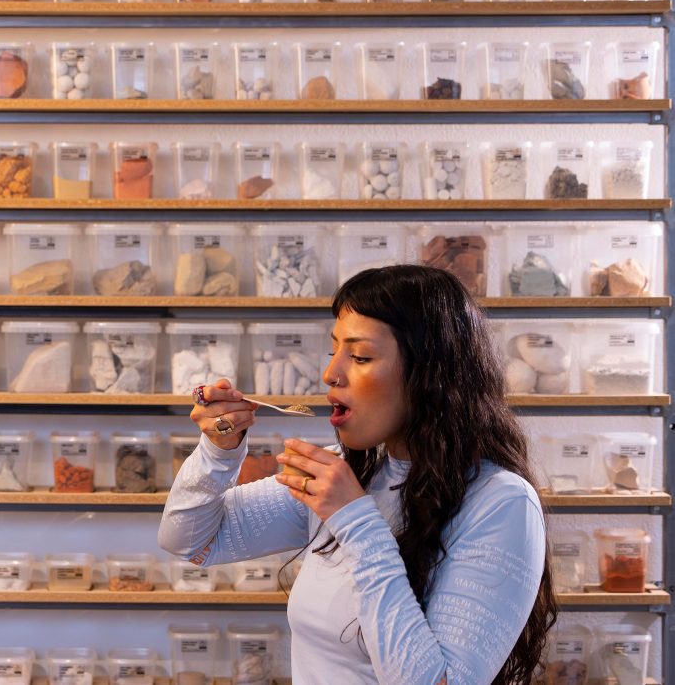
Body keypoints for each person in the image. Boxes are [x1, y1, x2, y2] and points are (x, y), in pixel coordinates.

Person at [159, 264, 556, 684]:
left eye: (361, 356)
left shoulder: (502, 503)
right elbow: (189, 539)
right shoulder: (354, 472)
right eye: (334, 350)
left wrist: (356, 521)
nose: (330, 373)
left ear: (431, 376)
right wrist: (219, 452)